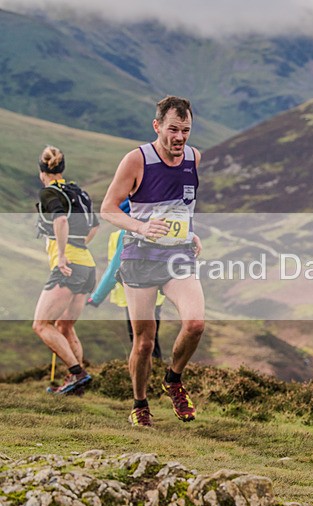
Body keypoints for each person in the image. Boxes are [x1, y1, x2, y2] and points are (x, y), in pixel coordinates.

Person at [101, 96, 204, 428]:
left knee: (195, 323)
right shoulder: (136, 160)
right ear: (157, 126)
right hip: (140, 258)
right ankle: (140, 403)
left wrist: (190, 232)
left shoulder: (194, 158)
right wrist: (141, 226)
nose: (179, 137)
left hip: (177, 256)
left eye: (185, 130)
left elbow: (182, 206)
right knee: (144, 342)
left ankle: (173, 380)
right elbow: (108, 209)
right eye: (173, 129)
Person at [32, 145, 100, 394]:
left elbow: (60, 220)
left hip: (69, 267)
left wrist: (62, 255)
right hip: (87, 266)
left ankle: (77, 372)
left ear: (42, 171)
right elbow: (94, 225)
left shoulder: (49, 192)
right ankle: (77, 385)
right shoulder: (77, 192)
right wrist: (78, 245)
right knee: (65, 326)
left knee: (41, 325)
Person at [88, 199, 164, 361]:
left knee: (140, 341)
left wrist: (96, 297)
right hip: (155, 293)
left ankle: (149, 373)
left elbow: (116, 267)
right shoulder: (151, 228)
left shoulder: (125, 233)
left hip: (134, 294)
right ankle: (158, 371)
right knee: (151, 339)